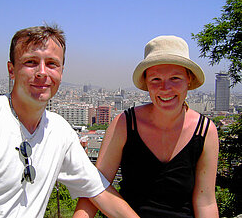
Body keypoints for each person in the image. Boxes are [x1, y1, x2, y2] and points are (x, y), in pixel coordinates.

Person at [0, 25, 139, 218]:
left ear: (61, 72)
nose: (42, 72)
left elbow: (98, 190)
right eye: (30, 62)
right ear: (11, 70)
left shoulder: (59, 131)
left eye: (52, 64)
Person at [74, 35, 219, 217]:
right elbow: (96, 185)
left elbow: (205, 201)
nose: (165, 88)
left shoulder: (205, 131)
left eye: (175, 78)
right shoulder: (125, 124)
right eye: (156, 79)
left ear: (189, 80)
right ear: (147, 84)